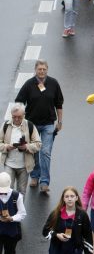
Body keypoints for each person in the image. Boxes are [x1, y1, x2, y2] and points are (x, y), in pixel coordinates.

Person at [14, 60, 64, 194]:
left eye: (44, 69)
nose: (42, 71)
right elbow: (19, 102)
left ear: (47, 70)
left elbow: (59, 104)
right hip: (32, 125)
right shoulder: (29, 84)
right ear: (35, 70)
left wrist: (60, 122)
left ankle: (45, 182)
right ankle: (35, 176)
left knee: (45, 152)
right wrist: (20, 120)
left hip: (48, 124)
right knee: (33, 152)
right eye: (39, 69)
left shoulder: (53, 83)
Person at [0, 103, 42, 196]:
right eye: (14, 117)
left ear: (24, 115)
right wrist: (7, 147)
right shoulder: (5, 125)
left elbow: (38, 144)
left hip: (24, 166)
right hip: (9, 164)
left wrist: (26, 147)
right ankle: (8, 210)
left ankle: (20, 210)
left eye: (19, 117)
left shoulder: (30, 125)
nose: (16, 119)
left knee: (21, 192)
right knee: (7, 191)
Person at [42, 186, 93, 254]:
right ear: (63, 199)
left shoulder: (82, 215)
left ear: (76, 198)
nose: (69, 199)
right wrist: (56, 235)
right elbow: (45, 231)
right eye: (67, 196)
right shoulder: (55, 213)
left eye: (72, 196)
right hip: (56, 250)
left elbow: (88, 237)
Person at [0, 172, 26, 254]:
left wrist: (12, 218)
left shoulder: (17, 196)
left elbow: (22, 214)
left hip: (11, 232)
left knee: (10, 251)